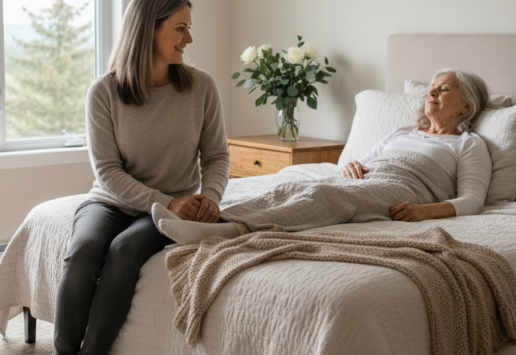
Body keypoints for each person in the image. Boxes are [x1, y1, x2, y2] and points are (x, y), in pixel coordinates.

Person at [29, 0, 230, 355]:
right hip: (111, 201)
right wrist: (167, 200)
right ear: (148, 30)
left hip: (166, 212)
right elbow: (107, 171)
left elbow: (216, 157)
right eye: (180, 28)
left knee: (123, 253)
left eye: (189, 28)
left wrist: (209, 199)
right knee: (84, 251)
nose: (189, 38)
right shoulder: (104, 92)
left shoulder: (201, 87)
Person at [153, 69, 492, 244]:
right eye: (432, 87)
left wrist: (424, 211)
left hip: (407, 191)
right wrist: (353, 165)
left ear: (466, 105)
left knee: (323, 194)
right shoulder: (403, 132)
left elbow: (473, 200)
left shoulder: (468, 144)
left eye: (443, 88)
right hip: (371, 181)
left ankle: (227, 231)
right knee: (289, 188)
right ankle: (212, 218)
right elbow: (354, 163)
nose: (432, 92)